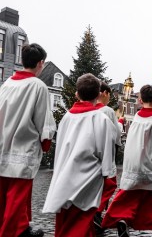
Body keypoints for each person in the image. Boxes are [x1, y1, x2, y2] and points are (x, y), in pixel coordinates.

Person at [42, 74, 116, 237]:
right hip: (88, 180)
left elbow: (60, 149)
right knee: (81, 224)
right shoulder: (102, 119)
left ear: (77, 94)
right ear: (98, 95)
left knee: (65, 223)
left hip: (64, 177)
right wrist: (109, 177)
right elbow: (106, 153)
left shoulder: (66, 118)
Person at [102, 85, 152, 237]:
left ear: (140, 100)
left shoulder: (137, 117)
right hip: (151, 162)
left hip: (134, 162)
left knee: (129, 195)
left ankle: (122, 219)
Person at [0, 43, 56, 237]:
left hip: (2, 146)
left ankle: (22, 228)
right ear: (41, 63)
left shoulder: (7, 83)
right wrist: (46, 141)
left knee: (3, 197)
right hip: (23, 148)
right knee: (16, 198)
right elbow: (43, 119)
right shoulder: (37, 86)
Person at [93, 81, 125, 233]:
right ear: (104, 93)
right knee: (109, 184)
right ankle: (97, 212)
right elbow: (115, 135)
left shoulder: (88, 109)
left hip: (90, 152)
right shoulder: (107, 111)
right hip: (105, 150)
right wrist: (119, 124)